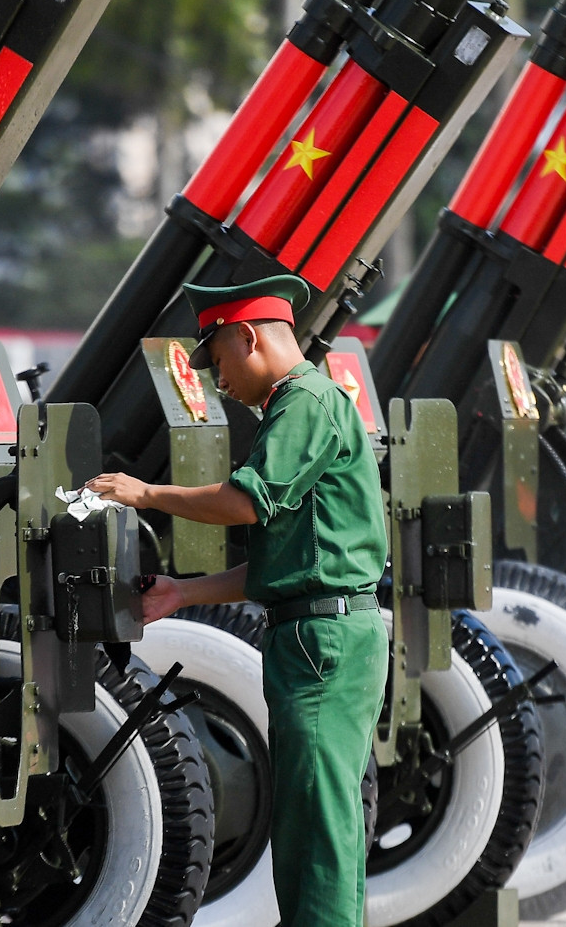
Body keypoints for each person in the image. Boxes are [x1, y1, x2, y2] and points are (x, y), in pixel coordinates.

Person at [83, 275, 386, 926]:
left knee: (319, 828)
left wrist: (145, 492)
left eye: (218, 358)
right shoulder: (303, 404)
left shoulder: (303, 401)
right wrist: (185, 592)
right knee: (312, 819)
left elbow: (245, 502)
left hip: (322, 644)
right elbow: (292, 562)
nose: (218, 379)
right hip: (317, 632)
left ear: (248, 336)